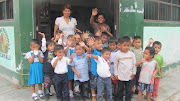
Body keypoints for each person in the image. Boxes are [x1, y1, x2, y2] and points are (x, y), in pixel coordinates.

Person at [114, 36, 136, 101]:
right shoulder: (118, 54)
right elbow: (115, 65)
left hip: (129, 76)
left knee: (129, 90)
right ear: (120, 45)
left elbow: (134, 64)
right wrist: (116, 74)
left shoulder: (131, 54)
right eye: (125, 45)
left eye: (128, 45)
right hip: (120, 76)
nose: (126, 47)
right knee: (120, 90)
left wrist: (133, 73)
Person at [39, 32, 56, 100]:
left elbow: (59, 45)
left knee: (56, 83)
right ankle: (46, 94)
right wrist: (43, 37)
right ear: (47, 47)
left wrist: (60, 38)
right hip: (47, 70)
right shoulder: (45, 52)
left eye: (53, 45)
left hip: (54, 70)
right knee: (47, 83)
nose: (52, 47)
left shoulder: (55, 52)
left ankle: (58, 93)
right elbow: (43, 46)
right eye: (50, 46)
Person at [88, 36, 103, 101]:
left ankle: (101, 96)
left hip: (101, 72)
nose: (100, 45)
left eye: (101, 43)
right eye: (98, 43)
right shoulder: (94, 51)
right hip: (94, 72)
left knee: (102, 86)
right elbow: (92, 48)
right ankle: (93, 96)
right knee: (93, 85)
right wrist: (91, 45)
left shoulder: (103, 51)